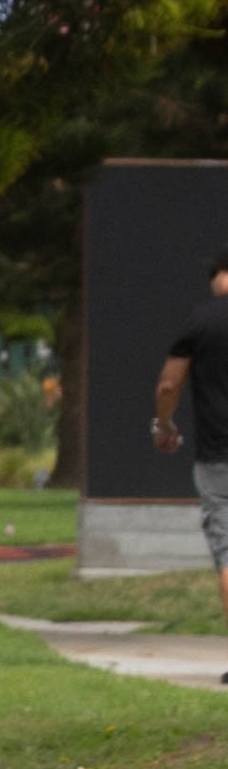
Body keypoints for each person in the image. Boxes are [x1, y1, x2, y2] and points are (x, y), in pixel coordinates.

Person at [149, 249, 228, 672]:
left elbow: (168, 384)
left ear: (219, 275)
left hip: (220, 458)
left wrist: (164, 425)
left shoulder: (201, 321)